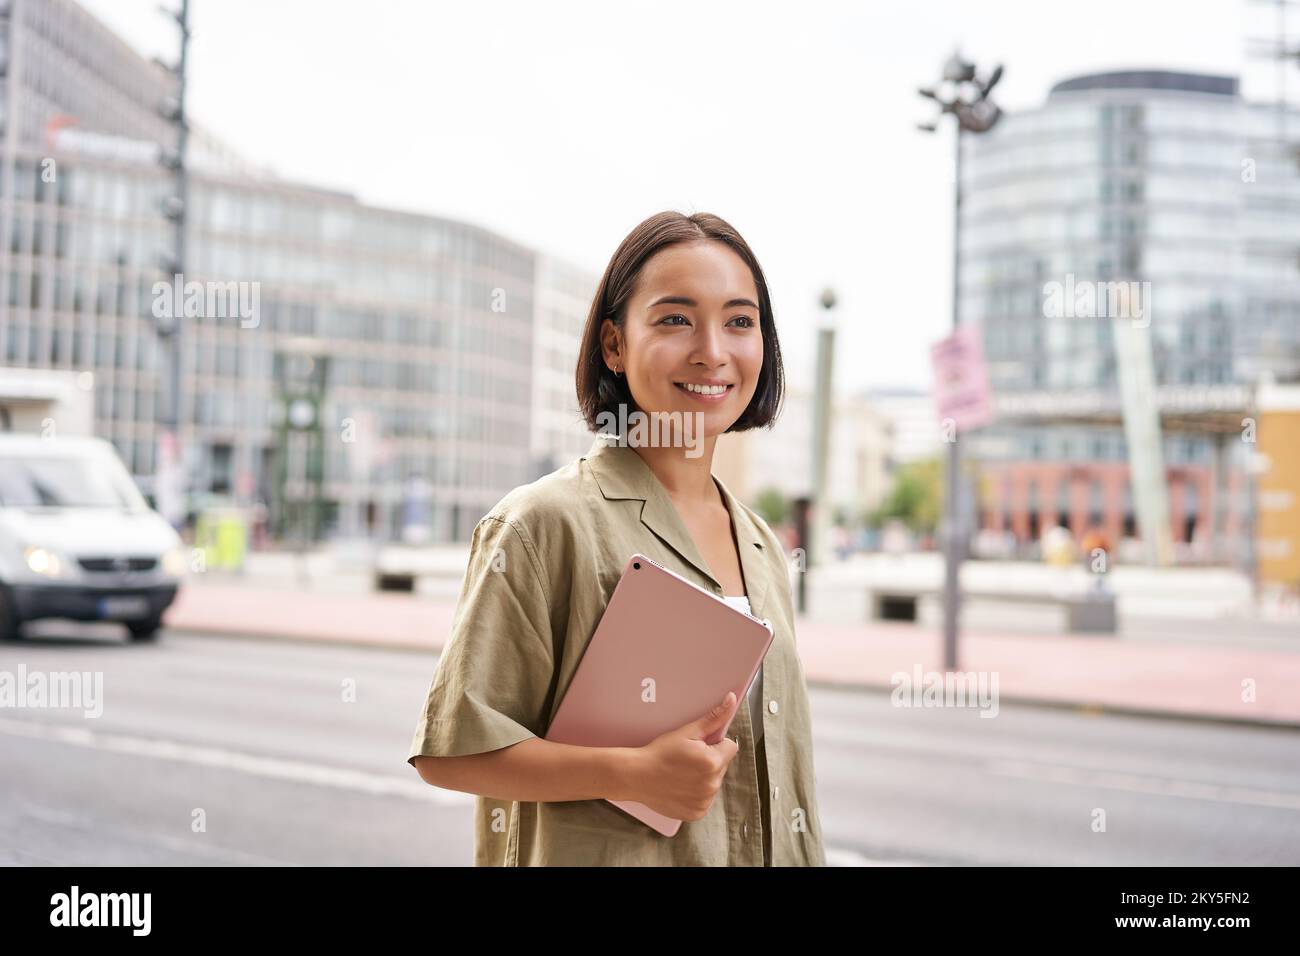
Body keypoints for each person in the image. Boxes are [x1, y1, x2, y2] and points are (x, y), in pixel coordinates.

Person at [406, 210, 827, 867]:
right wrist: (628, 773)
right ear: (613, 346)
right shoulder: (546, 523)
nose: (712, 350)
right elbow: (453, 751)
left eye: (740, 321)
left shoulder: (763, 546)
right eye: (675, 318)